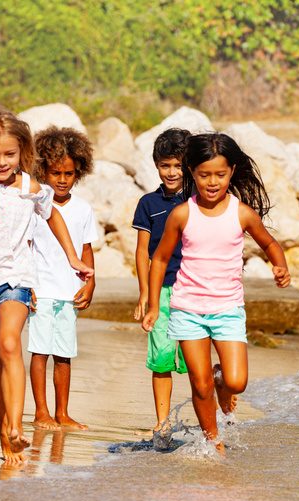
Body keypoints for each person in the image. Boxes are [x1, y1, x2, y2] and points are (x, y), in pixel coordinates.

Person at [0, 108, 93, 464]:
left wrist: (72, 257)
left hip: (15, 277)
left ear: (22, 151)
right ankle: (5, 434)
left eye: (10, 154)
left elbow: (51, 213)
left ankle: (17, 426)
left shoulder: (27, 185)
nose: (2, 162)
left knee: (10, 344)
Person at [141, 133, 291, 456]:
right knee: (199, 384)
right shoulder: (182, 214)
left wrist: (280, 265)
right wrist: (154, 305)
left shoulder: (241, 213)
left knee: (236, 382)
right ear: (191, 171)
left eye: (220, 175)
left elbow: (269, 243)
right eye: (204, 174)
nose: (212, 182)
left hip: (227, 309)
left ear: (232, 171)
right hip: (187, 309)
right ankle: (213, 439)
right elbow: (160, 260)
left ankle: (220, 378)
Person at [28, 127, 98, 431]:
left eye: (68, 173)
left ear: (78, 173)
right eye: (55, 172)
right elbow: (26, 247)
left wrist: (90, 283)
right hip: (41, 289)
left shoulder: (83, 209)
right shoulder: (36, 205)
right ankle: (40, 411)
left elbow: (86, 249)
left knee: (64, 355)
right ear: (43, 170)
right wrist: (27, 283)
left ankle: (63, 413)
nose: (61, 179)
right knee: (40, 352)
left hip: (69, 292)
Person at [132, 128, 190, 437]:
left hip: (194, 289)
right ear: (156, 165)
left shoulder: (196, 201)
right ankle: (163, 421)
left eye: (178, 165)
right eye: (165, 165)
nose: (172, 172)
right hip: (161, 291)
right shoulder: (148, 204)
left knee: (195, 358)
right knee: (161, 358)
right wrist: (145, 293)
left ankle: (212, 418)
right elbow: (143, 251)